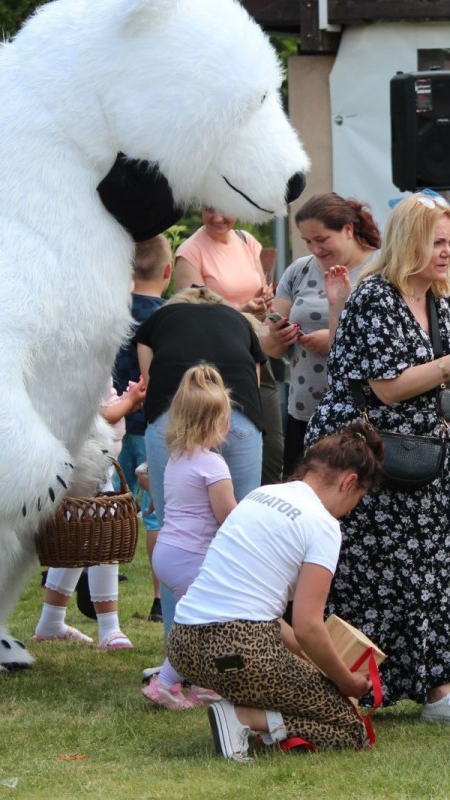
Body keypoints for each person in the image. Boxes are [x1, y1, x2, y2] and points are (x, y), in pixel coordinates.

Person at [305, 193, 450, 725]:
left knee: (435, 569)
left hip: (422, 452)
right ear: (407, 243)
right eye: (435, 242)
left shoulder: (440, 296)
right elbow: (388, 387)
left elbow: (440, 363)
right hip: (367, 460)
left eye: (449, 242)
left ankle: (439, 692)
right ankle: (345, 685)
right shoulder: (375, 297)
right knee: (368, 575)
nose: (446, 253)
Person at [167, 424, 384, 758]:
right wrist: (346, 681)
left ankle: (251, 715)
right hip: (240, 649)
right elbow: (308, 626)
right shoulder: (323, 525)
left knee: (292, 686)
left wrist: (309, 663)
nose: (352, 508)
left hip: (182, 645)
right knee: (349, 727)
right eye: (358, 497)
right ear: (349, 482)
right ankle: (242, 717)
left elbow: (261, 610)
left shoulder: (260, 495)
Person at [136, 286, 266, 642]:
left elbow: (147, 382)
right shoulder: (240, 321)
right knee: (238, 534)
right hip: (238, 417)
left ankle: (178, 656)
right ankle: (234, 650)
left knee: (174, 532)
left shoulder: (156, 320)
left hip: (171, 418)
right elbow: (252, 385)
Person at [141, 364, 239, 710]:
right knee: (205, 621)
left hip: (169, 552)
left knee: (203, 620)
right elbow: (228, 516)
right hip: (192, 556)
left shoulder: (177, 458)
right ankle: (165, 684)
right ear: (218, 424)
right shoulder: (213, 466)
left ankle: (206, 681)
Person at [264, 193, 380, 475]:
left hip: (358, 414)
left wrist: (334, 340)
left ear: (348, 230)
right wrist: (278, 336)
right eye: (307, 241)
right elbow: (271, 347)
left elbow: (389, 342)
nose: (315, 249)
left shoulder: (379, 270)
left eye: (322, 239)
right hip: (303, 408)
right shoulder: (299, 270)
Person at [32, 382, 146, 651]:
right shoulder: (83, 358)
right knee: (101, 536)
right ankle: (109, 627)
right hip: (88, 457)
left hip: (93, 456)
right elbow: (97, 415)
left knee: (80, 538)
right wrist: (129, 401)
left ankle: (51, 621)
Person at [174, 205, 283, 486]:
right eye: (210, 210)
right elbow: (188, 315)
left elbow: (260, 288)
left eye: (225, 209)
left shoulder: (247, 240)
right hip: (215, 362)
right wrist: (241, 310)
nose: (219, 218)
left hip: (254, 351)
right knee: (222, 443)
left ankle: (264, 508)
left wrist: (262, 302)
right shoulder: (190, 252)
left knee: (271, 442)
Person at [113, 234, 172, 623]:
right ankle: (157, 598)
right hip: (150, 425)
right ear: (168, 272)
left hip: (114, 421)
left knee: (107, 504)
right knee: (155, 513)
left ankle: (94, 577)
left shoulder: (113, 312)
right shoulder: (169, 316)